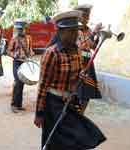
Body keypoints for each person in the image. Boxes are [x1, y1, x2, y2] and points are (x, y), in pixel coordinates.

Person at [34, 10, 106, 150]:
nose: (75, 35)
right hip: (53, 105)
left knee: (82, 136)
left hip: (71, 102)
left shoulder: (77, 51)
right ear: (60, 32)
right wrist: (39, 113)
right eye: (71, 31)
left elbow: (76, 74)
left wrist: (80, 75)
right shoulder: (51, 53)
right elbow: (43, 86)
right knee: (53, 141)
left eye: (76, 31)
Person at [75, 4, 102, 113]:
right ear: (79, 16)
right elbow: (80, 46)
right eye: (86, 16)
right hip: (78, 63)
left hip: (88, 64)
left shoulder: (87, 29)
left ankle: (80, 115)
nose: (88, 18)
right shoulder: (75, 30)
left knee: (87, 95)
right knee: (78, 94)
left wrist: (99, 37)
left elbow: (93, 47)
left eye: (88, 15)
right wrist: (94, 32)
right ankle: (75, 117)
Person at [6, 19, 34, 113]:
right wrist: (15, 55)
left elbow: (30, 50)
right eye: (19, 29)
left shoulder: (29, 38)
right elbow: (8, 51)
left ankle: (19, 105)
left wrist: (30, 54)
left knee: (22, 83)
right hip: (17, 63)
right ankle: (14, 105)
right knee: (17, 82)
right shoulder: (14, 39)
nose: (20, 31)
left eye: (22, 29)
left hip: (25, 63)